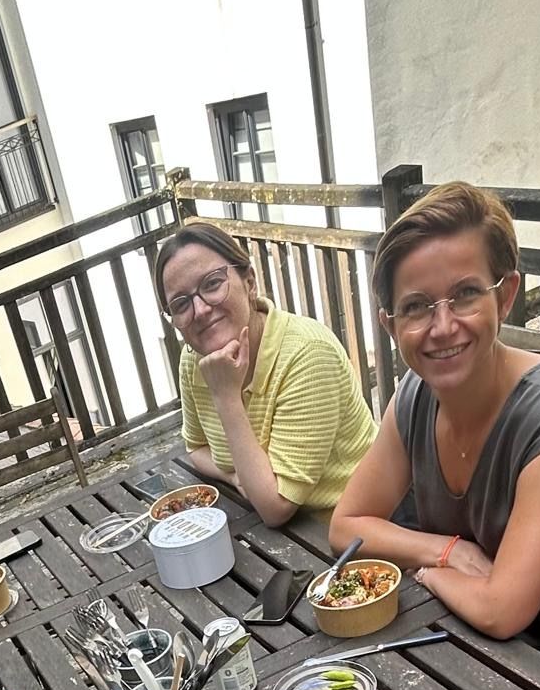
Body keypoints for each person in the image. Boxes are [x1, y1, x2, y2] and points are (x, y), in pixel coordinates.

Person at [330, 182, 540, 653]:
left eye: (464, 294)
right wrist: (446, 551)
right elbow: (345, 526)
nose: (443, 327)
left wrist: (426, 571)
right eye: (416, 306)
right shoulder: (414, 396)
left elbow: (502, 610)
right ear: (391, 325)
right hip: (466, 636)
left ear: (505, 296)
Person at [156, 221, 377, 526]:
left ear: (249, 282)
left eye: (212, 284)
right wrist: (236, 476)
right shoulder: (195, 359)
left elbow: (275, 507)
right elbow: (196, 447)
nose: (201, 310)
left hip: (355, 526)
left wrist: (226, 396)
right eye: (181, 304)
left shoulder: (307, 353)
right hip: (285, 530)